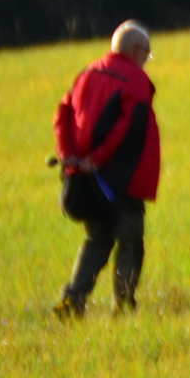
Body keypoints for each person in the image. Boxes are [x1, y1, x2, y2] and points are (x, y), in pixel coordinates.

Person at [53, 21, 162, 318]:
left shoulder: (88, 72)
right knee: (130, 241)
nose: (147, 59)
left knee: (98, 238)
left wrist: (69, 156)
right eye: (148, 53)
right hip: (120, 180)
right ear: (137, 51)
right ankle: (123, 308)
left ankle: (72, 300)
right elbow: (127, 127)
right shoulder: (136, 79)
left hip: (86, 178)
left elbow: (62, 114)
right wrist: (97, 159)